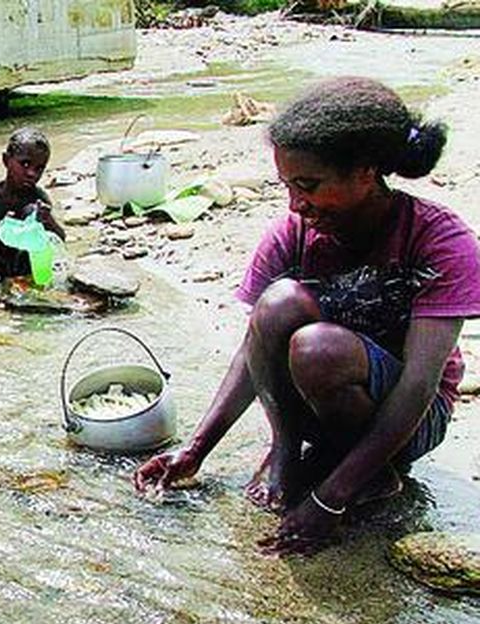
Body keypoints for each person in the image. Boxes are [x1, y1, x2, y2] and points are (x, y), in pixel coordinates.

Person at [133, 77, 480, 556]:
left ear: (366, 172)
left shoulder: (438, 239)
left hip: (409, 418)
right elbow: (253, 349)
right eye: (288, 186)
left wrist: (330, 500)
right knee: (277, 304)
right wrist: (196, 451)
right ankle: (288, 453)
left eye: (310, 186)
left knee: (318, 349)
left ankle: (372, 474)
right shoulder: (292, 234)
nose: (296, 204)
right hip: (316, 403)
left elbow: (420, 384)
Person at [0, 127, 67, 296]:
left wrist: (49, 221)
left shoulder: (39, 199)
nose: (31, 173)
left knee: (39, 293)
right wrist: (5, 231)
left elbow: (60, 240)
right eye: (25, 164)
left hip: (24, 260)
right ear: (6, 160)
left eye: (39, 168)